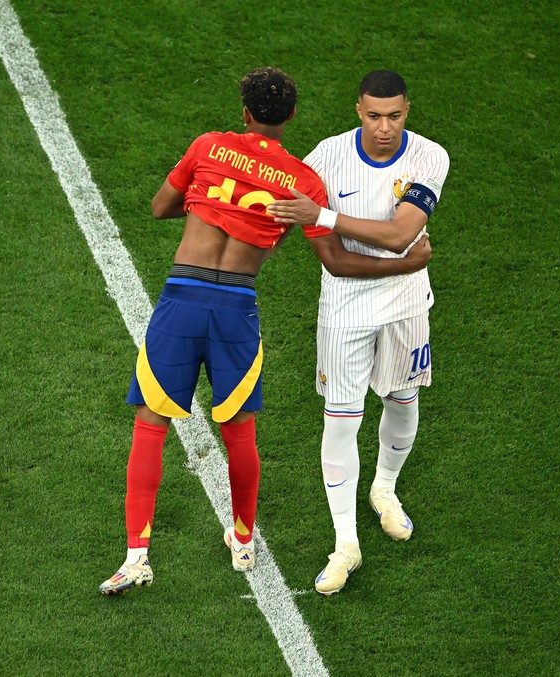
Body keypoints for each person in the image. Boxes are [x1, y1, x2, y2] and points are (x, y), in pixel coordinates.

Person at [100, 67, 433, 595]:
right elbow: (340, 264)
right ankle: (243, 540)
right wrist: (408, 265)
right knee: (239, 430)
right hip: (236, 308)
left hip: (182, 300)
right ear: (292, 116)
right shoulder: (303, 183)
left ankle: (136, 556)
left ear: (246, 113)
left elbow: (159, 207)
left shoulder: (208, 146)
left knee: (150, 424)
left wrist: (205, 200)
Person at [268, 70, 450, 595]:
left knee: (403, 401)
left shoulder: (429, 158)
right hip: (345, 311)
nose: (384, 126)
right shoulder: (324, 157)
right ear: (358, 110)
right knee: (341, 421)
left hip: (406, 307)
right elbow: (335, 262)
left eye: (394, 115)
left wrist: (324, 214)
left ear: (407, 111)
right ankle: (345, 542)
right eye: (374, 115)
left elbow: (399, 235)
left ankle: (385, 490)